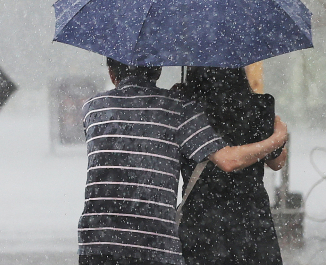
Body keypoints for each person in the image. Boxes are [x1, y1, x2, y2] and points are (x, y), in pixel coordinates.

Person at [77, 58, 288, 265]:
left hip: (101, 238)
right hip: (161, 241)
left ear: (111, 74)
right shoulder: (179, 109)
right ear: (158, 71)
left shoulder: (92, 109)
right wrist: (277, 139)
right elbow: (234, 160)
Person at [176, 67, 287, 265]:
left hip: (201, 220)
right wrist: (277, 138)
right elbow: (277, 162)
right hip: (252, 220)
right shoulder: (258, 106)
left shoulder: (186, 109)